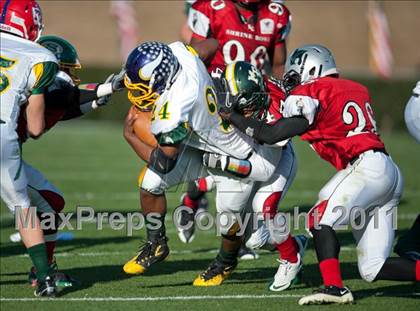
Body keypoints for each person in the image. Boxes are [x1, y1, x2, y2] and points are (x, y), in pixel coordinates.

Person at [217, 44, 420, 304]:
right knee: (373, 268)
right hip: (387, 171)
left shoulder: (311, 91)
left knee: (318, 218)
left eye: (294, 76)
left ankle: (335, 288)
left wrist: (234, 117)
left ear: (311, 70)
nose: (292, 83)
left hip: (366, 168)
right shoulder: (354, 88)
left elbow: (272, 134)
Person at [122, 41, 283, 286]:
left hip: (236, 156)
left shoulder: (177, 105)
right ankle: (156, 243)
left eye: (143, 85)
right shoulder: (177, 54)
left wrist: (131, 137)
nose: (136, 92)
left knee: (230, 220)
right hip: (202, 145)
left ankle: (226, 261)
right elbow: (210, 44)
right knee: (149, 183)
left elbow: (164, 161)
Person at [179, 0, 292, 259]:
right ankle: (192, 200)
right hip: (217, 94)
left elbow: (277, 65)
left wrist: (279, 97)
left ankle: (234, 237)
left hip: (251, 98)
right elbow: (193, 55)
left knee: (242, 169)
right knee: (215, 162)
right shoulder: (213, 7)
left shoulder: (276, 14)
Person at [15, 35, 125, 288]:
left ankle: (44, 269)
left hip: (8, 153)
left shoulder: (31, 82)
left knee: (50, 202)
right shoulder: (52, 84)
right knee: (48, 202)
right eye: (65, 69)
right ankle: (42, 272)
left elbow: (59, 108)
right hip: (3, 156)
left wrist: (97, 98)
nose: (69, 76)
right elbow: (66, 96)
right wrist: (106, 89)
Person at [203, 61, 307, 291]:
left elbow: (263, 169)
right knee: (253, 239)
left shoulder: (277, 109)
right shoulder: (237, 87)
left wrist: (223, 163)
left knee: (265, 205)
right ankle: (295, 244)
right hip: (250, 152)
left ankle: (291, 261)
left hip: (275, 158)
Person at [1, 0, 59, 297]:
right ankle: (46, 279)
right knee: (23, 207)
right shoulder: (40, 56)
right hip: (1, 134)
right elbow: (35, 128)